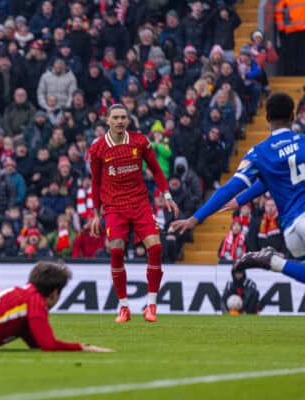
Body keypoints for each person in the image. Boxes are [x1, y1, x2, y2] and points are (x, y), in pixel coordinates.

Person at [171, 93, 305, 284]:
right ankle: (273, 262)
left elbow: (230, 188)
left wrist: (195, 218)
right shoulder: (303, 142)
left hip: (291, 231)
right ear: (293, 116)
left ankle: (275, 263)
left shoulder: (258, 153)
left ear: (266, 118)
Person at [88, 104, 178, 323]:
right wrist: (95, 214)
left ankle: (151, 305)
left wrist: (167, 195)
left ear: (128, 120)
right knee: (116, 252)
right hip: (114, 206)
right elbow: (96, 182)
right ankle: (124, 307)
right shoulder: (98, 149)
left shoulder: (140, 141)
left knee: (156, 247)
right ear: (107, 120)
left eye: (123, 118)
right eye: (116, 117)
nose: (120, 121)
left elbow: (156, 169)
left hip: (139, 203)